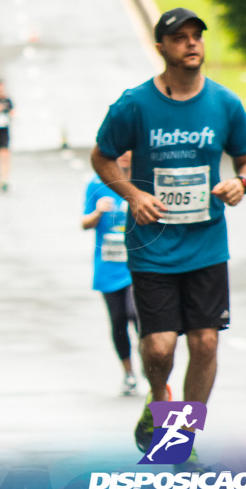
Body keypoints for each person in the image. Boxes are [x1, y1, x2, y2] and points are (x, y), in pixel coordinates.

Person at [91, 7, 246, 471]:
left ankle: (177, 437)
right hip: (153, 245)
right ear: (161, 46)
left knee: (205, 342)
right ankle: (155, 394)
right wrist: (131, 194)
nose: (191, 44)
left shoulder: (224, 104)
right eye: (180, 37)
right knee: (161, 347)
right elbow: (102, 157)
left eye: (196, 36)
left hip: (207, 244)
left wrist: (241, 183)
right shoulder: (135, 104)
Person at [82, 151, 139, 396]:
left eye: (130, 153)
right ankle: (128, 374)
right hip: (108, 266)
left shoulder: (144, 180)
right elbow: (84, 223)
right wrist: (97, 212)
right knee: (118, 322)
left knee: (135, 314)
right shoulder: (97, 184)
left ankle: (153, 364)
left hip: (137, 266)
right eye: (121, 154)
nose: (125, 157)